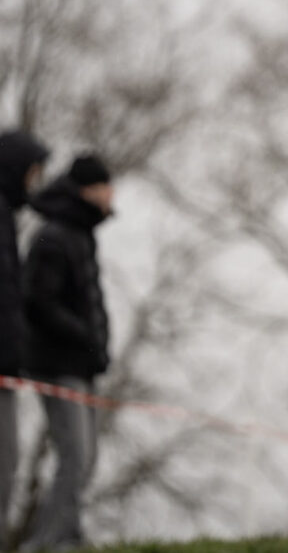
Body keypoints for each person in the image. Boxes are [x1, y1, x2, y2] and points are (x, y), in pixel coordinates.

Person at [20, 155, 114, 551]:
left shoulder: (80, 234)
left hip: (81, 366)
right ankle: (44, 544)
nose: (113, 196)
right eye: (107, 187)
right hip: (57, 366)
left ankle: (68, 538)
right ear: (89, 190)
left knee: (85, 458)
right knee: (75, 456)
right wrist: (86, 338)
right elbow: (41, 302)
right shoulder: (54, 236)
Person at [0, 130, 49, 547]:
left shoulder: (6, 217)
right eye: (32, 174)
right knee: (3, 466)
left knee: (8, 467)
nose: (34, 185)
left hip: (6, 368)